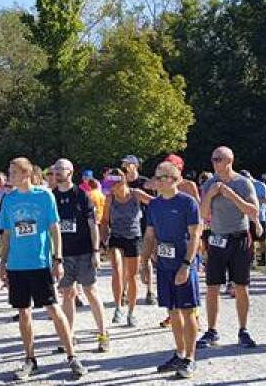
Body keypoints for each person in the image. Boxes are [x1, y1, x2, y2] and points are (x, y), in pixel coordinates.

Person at [0, 157, 86, 380]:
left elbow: (54, 228)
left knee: (54, 310)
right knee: (23, 312)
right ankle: (30, 359)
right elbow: (7, 234)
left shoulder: (44, 195)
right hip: (17, 265)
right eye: (9, 172)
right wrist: (2, 263)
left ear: (25, 174)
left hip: (40, 263)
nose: (9, 176)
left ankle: (72, 356)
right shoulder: (8, 200)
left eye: (13, 172)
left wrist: (58, 259)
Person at [196, 146, 261, 349]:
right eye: (213, 159)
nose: (214, 163)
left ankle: (243, 330)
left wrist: (232, 195)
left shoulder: (243, 183)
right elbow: (203, 213)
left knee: (241, 285)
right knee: (212, 286)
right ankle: (212, 330)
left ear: (229, 161)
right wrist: (210, 195)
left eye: (218, 159)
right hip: (216, 238)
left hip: (239, 238)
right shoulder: (209, 184)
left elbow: (254, 211)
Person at [145, 161, 204, 379]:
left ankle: (190, 358)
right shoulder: (154, 205)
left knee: (188, 311)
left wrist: (187, 265)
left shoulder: (188, 203)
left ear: (173, 179)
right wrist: (144, 263)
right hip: (164, 265)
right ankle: (179, 353)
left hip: (183, 264)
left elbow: (195, 235)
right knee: (172, 310)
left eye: (161, 177)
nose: (157, 181)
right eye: (156, 177)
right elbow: (150, 235)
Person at [49, 159, 111, 354]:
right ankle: (69, 336)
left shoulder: (82, 196)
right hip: (63, 254)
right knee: (67, 294)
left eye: (61, 169)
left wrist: (96, 251)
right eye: (55, 169)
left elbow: (93, 226)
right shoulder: (51, 197)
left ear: (71, 172)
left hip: (84, 252)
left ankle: (103, 335)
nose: (57, 172)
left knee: (91, 292)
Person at [103, 167, 150, 327]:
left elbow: (153, 202)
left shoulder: (135, 193)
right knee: (116, 269)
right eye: (111, 180)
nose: (113, 183)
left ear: (123, 179)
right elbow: (104, 220)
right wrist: (103, 240)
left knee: (132, 276)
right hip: (116, 237)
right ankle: (117, 307)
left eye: (116, 179)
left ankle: (131, 312)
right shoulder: (110, 198)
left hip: (134, 237)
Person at [121, 155, 156, 307]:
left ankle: (150, 291)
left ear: (135, 166)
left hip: (145, 224)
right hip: (126, 225)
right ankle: (123, 291)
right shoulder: (121, 182)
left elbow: (154, 203)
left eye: (127, 164)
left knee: (146, 258)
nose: (125, 166)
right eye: (124, 164)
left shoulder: (145, 182)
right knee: (125, 260)